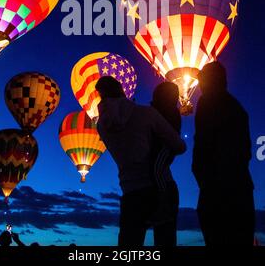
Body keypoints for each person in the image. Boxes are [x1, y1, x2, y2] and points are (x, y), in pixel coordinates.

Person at [96, 76, 186, 246]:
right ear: (123, 90)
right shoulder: (146, 113)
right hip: (162, 188)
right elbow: (180, 146)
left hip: (131, 192)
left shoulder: (101, 126)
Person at [192, 62, 255, 246]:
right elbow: (246, 151)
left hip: (217, 191)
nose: (200, 85)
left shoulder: (208, 102)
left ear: (208, 80)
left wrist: (204, 180)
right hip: (241, 188)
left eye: (202, 79)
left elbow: (203, 144)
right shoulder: (238, 108)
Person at [150, 82, 182, 246]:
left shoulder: (156, 115)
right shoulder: (171, 115)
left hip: (159, 184)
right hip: (164, 183)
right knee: (165, 236)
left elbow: (169, 150)